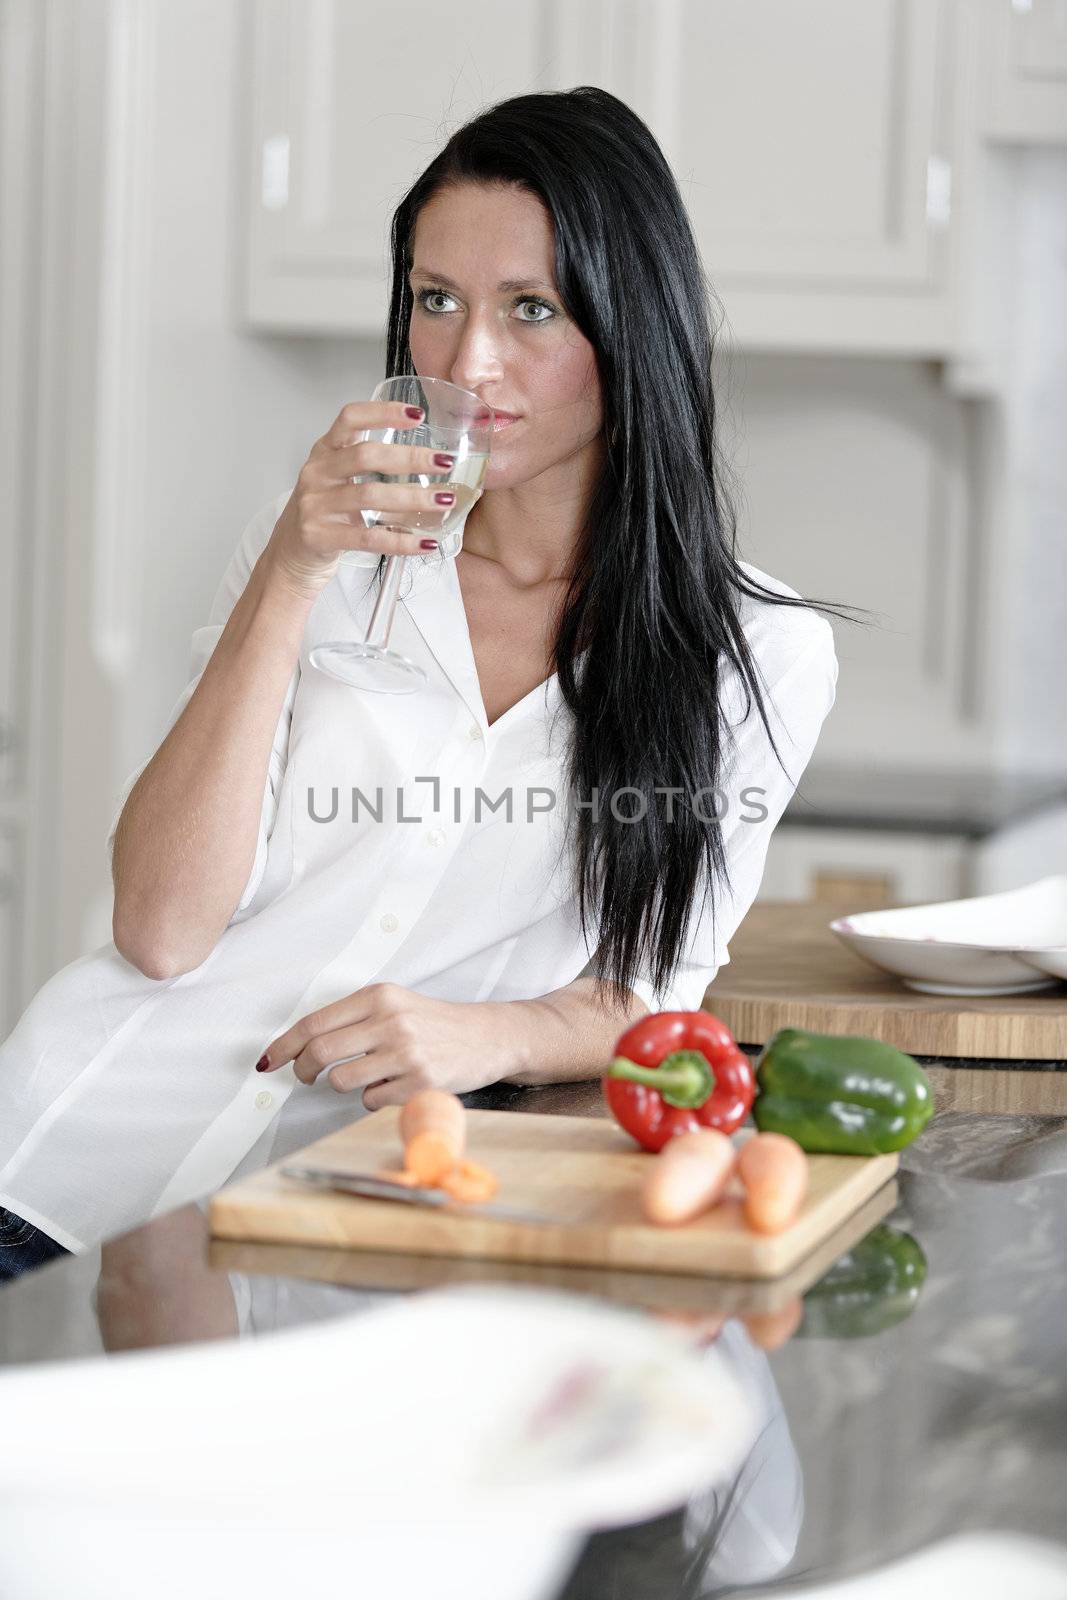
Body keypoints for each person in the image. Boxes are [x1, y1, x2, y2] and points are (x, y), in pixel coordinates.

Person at [0, 86, 850, 1280]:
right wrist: (289, 577)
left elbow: (648, 998)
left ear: (630, 328)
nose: (468, 360)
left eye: (532, 310)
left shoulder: (753, 654)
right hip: (59, 1171)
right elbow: (157, 927)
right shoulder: (320, 551)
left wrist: (471, 1034)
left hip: (330, 1222)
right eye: (435, 300)